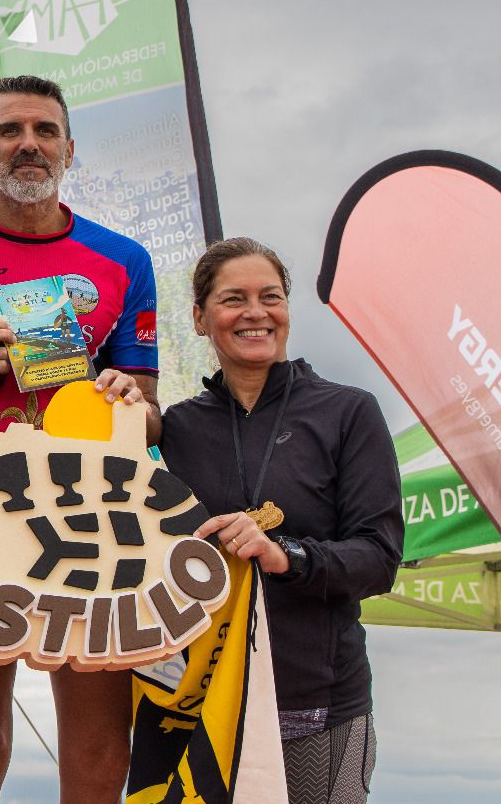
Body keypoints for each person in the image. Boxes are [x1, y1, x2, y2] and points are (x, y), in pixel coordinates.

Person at [0, 74, 156, 804]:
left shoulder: (123, 259)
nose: (28, 145)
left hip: (89, 517)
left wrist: (123, 396)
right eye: (10, 131)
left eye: (44, 131)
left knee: (99, 748)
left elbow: (151, 409)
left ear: (70, 149)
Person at [156, 237, 402, 804]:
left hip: (317, 699)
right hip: (197, 701)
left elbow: (380, 557)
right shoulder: (177, 429)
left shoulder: (349, 412)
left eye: (270, 296)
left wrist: (285, 554)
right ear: (199, 318)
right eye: (233, 299)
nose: (255, 312)